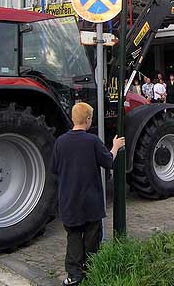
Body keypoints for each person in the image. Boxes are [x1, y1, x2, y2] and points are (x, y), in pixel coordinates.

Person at [50, 102, 125, 286]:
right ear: (89, 119)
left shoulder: (60, 142)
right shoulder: (92, 141)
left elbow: (54, 169)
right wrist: (115, 146)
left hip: (69, 201)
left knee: (73, 237)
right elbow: (108, 161)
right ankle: (91, 270)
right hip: (91, 202)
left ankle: (74, 276)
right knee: (92, 238)